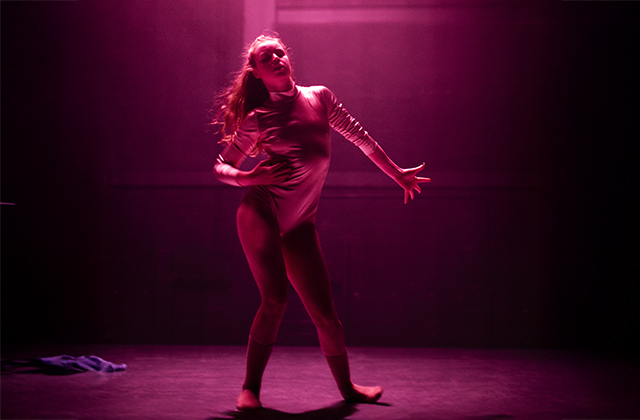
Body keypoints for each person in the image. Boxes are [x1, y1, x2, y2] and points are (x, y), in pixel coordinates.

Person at [213, 34, 430, 410]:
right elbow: (221, 167)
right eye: (268, 58)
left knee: (327, 316)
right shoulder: (258, 117)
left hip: (300, 221)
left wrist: (397, 174)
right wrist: (247, 178)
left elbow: (361, 138)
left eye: (280, 52)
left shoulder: (320, 98)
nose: (278, 59)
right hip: (261, 211)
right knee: (276, 299)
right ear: (257, 73)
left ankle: (347, 388)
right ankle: (250, 389)